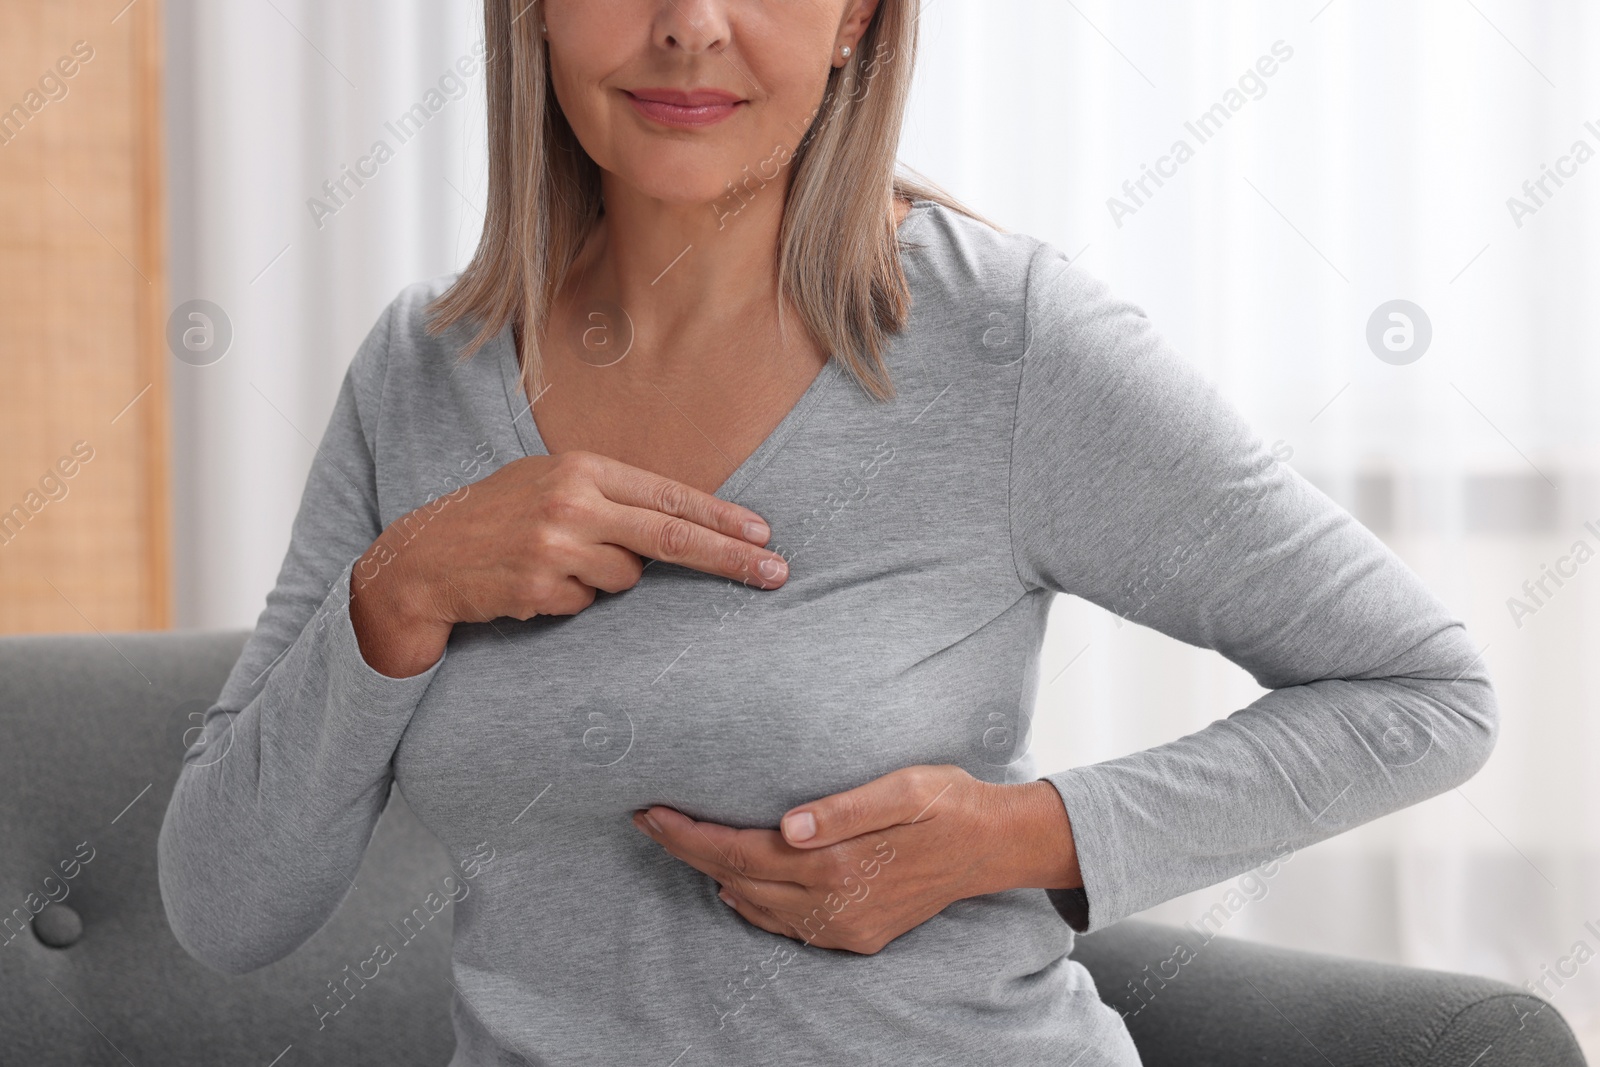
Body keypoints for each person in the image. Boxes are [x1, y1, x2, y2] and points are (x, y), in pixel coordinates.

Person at [158, 1, 1499, 1063]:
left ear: (859, 13)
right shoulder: (421, 374)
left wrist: (1016, 836)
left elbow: (1426, 694)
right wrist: (393, 600)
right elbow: (223, 907)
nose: (690, 22)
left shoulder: (1002, 342)